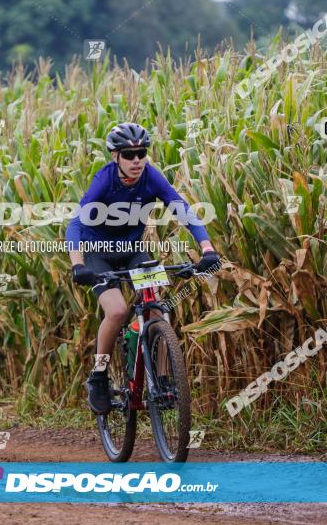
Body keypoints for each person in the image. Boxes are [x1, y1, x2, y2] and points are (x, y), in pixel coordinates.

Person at [66, 122, 220, 414]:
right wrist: (78, 265)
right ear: (116, 157)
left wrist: (207, 249)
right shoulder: (104, 181)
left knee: (157, 309)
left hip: (134, 252)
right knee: (117, 311)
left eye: (141, 153)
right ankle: (99, 376)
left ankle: (160, 379)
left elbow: (182, 208)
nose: (137, 160)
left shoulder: (151, 177)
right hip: (100, 254)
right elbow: (75, 224)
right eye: (129, 154)